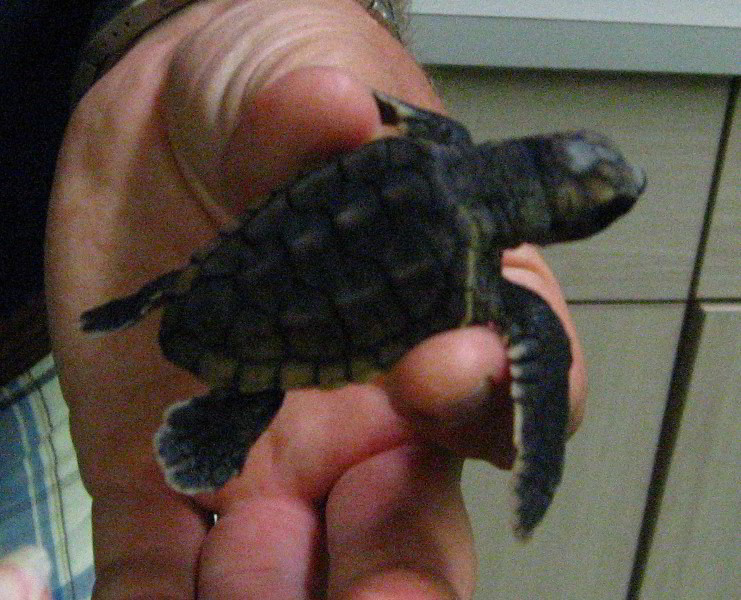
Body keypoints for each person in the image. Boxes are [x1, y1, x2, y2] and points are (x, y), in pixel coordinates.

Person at [3, 0, 587, 598]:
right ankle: (213, 410)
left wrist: (202, 13)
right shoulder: (490, 281)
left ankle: (189, 371)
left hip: (74, 346)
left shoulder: (439, 149)